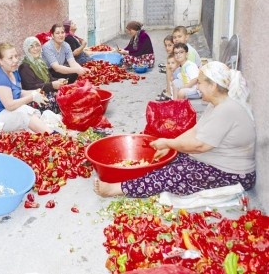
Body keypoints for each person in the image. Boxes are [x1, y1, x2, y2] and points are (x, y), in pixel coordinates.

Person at [94, 61, 255, 198]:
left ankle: (115, 189)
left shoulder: (226, 110)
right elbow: (195, 130)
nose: (197, 87)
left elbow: (200, 146)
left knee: (173, 173)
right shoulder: (216, 105)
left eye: (200, 82)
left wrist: (170, 144)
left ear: (212, 86)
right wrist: (171, 146)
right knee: (169, 160)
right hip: (212, 160)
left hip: (232, 174)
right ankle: (128, 182)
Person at [0, 42, 53, 133]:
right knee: (23, 113)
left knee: (34, 113)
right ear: (1, 61)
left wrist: (35, 92)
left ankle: (49, 134)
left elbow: (18, 92)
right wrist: (32, 97)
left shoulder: (13, 72)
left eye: (16, 56)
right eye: (10, 58)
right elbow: (10, 105)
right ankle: (53, 136)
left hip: (7, 115)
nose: (15, 60)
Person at [18, 37, 67, 114]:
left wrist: (58, 81)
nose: (35, 49)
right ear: (27, 50)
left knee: (68, 93)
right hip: (35, 98)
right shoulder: (25, 67)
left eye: (37, 45)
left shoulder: (40, 62)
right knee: (62, 99)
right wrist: (52, 85)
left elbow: (49, 78)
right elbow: (31, 87)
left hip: (46, 92)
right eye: (31, 47)